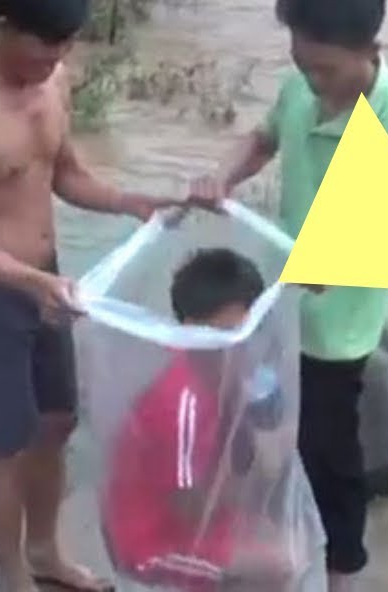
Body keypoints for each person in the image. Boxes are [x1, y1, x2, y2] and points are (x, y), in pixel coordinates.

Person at [0, 0, 178, 592]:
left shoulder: (55, 82)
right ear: (3, 24)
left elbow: (65, 175)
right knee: (7, 447)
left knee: (58, 422)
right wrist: (34, 284)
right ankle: (13, 576)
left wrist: (129, 202)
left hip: (49, 278)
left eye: (65, 47)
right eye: (44, 47)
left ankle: (47, 553)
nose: (55, 62)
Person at [187, 0, 388, 592]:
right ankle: (265, 551)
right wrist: (223, 175)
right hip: (276, 307)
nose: (313, 82)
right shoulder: (300, 88)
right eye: (303, 64)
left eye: (326, 69)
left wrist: (345, 261)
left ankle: (342, 574)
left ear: (370, 52)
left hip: (337, 329)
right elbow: (263, 137)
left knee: (332, 461)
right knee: (260, 435)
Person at [104, 248, 313, 591]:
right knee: (279, 564)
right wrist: (257, 474)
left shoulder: (228, 370)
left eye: (244, 332)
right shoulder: (179, 398)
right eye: (222, 335)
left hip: (202, 509)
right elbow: (187, 508)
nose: (235, 345)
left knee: (292, 538)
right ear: (188, 328)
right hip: (153, 537)